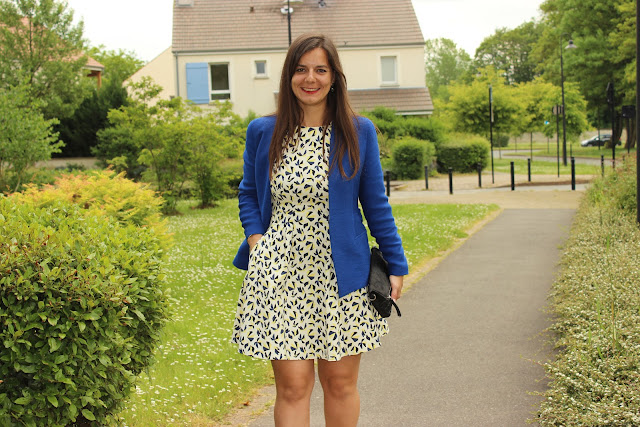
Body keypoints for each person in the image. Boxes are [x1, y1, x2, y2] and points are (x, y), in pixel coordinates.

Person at [232, 33, 408, 427]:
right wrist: (256, 239)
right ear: (288, 76)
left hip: (341, 275)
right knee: (293, 387)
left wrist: (396, 262)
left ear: (334, 77)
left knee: (339, 382)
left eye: (320, 70)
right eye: (300, 69)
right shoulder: (263, 131)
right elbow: (248, 193)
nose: (309, 78)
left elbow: (375, 204)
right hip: (280, 275)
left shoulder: (358, 131)